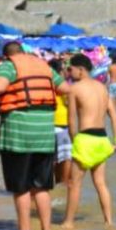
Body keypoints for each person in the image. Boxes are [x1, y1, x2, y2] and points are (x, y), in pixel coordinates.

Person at [0, 42, 67, 230]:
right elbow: (65, 88)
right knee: (41, 187)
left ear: (7, 56)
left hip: (18, 134)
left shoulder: (8, 66)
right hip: (44, 134)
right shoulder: (43, 66)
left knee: (21, 187)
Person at [62, 54, 116, 229]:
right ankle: (109, 221)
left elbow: (71, 120)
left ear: (81, 69)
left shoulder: (74, 89)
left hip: (85, 138)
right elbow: (114, 115)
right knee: (101, 183)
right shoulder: (103, 88)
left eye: (70, 69)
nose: (68, 72)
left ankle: (68, 222)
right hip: (103, 138)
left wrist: (74, 141)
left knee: (74, 184)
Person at [49, 59, 74, 206]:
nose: (66, 72)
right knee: (65, 163)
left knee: (50, 164)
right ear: (58, 72)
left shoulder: (45, 85)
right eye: (63, 69)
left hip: (47, 126)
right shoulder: (63, 86)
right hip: (62, 127)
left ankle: (52, 195)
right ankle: (61, 197)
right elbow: (69, 104)